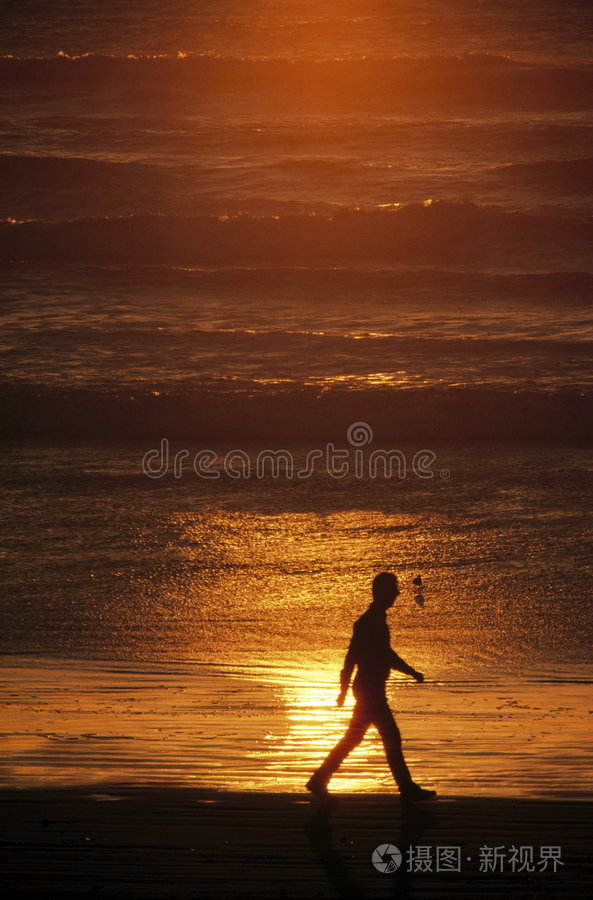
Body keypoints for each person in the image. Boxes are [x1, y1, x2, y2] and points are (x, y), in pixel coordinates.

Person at [306, 572, 436, 803]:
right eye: (393, 590)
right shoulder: (369, 622)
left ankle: (319, 779)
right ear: (382, 592)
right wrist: (411, 671)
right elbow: (365, 656)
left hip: (368, 689)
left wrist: (345, 690)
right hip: (370, 690)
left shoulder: (372, 620)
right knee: (390, 737)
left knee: (355, 738)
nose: (397, 593)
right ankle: (406, 789)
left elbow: (363, 656)